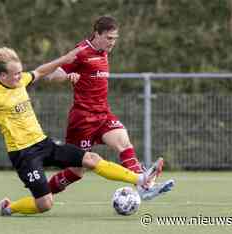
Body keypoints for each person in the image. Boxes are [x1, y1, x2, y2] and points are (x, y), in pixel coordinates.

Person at [0, 46, 174, 216]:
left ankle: (141, 180)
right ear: (2, 75)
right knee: (45, 204)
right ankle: (10, 207)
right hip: (23, 155)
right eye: (15, 74)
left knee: (91, 159)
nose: (20, 77)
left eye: (21, 72)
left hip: (44, 144)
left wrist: (64, 59)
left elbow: (40, 71)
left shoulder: (21, 80)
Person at [46, 15, 164, 194]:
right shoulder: (82, 52)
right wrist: (68, 76)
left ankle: (143, 185)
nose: (112, 43)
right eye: (109, 38)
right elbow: (52, 75)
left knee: (124, 143)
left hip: (103, 114)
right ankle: (43, 191)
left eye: (115, 39)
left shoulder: (103, 52)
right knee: (76, 172)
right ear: (97, 34)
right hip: (83, 119)